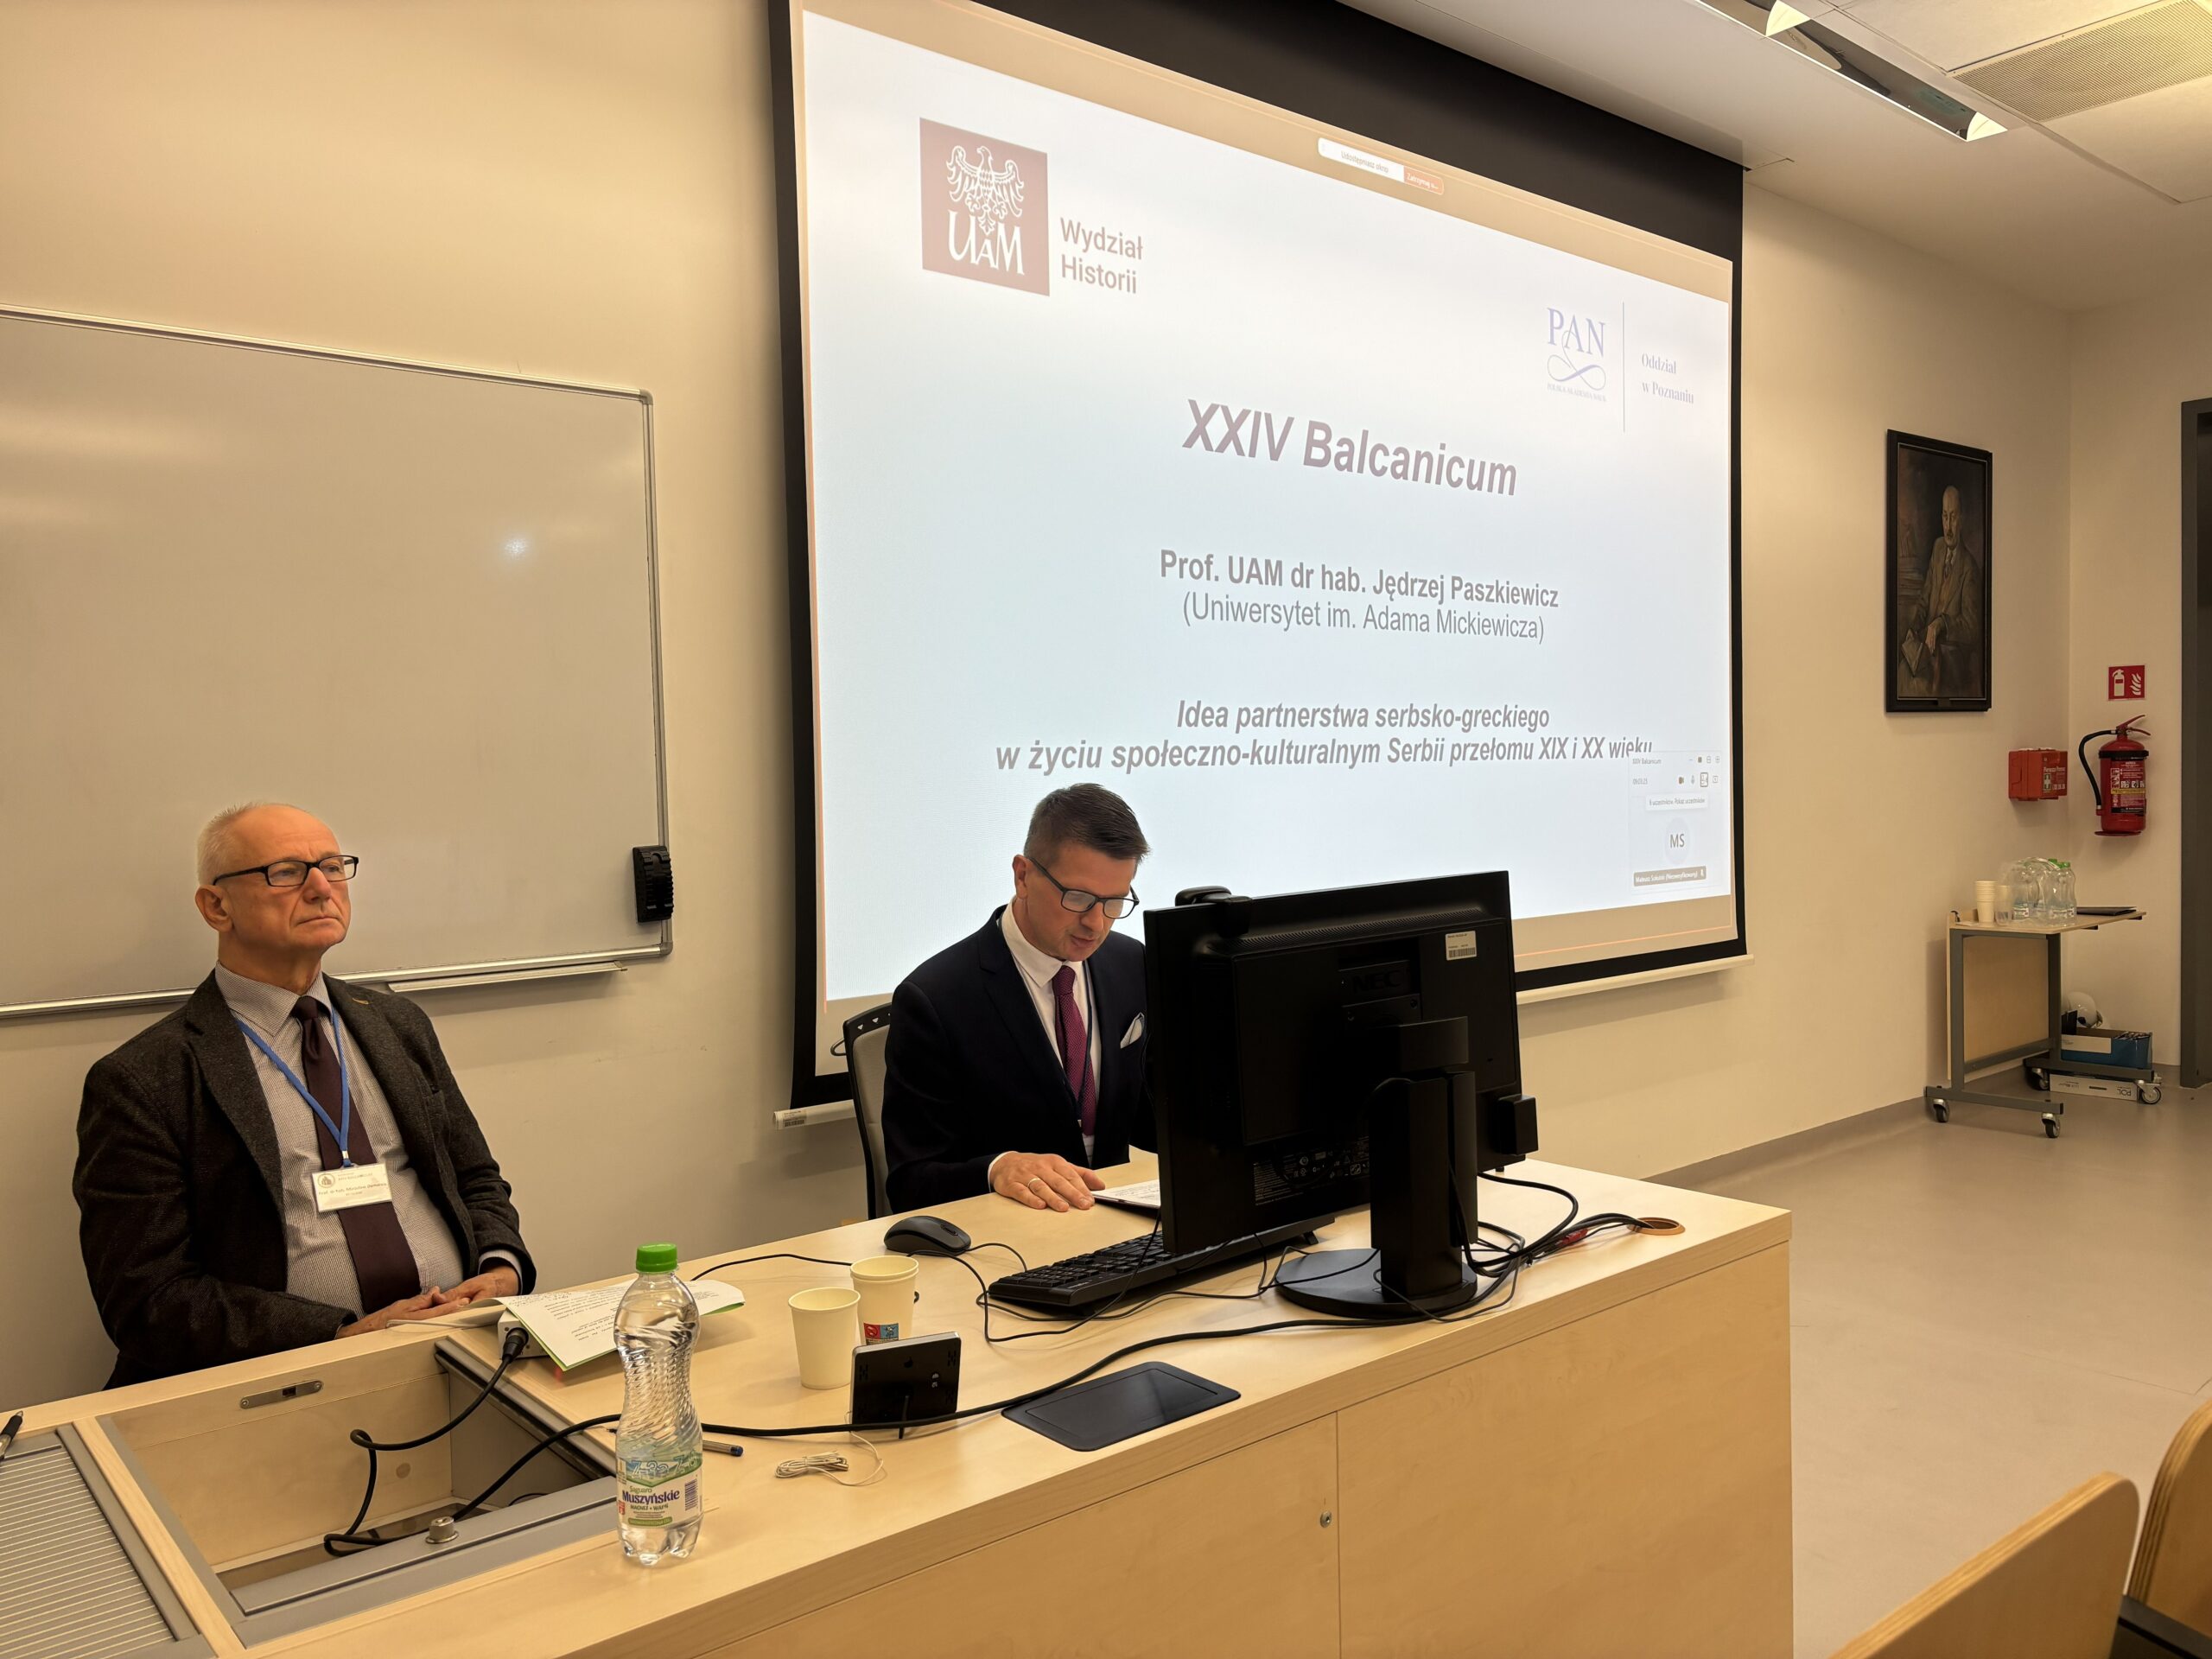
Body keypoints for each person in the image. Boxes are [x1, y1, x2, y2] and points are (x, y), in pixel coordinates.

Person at [73, 804, 534, 1385]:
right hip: (282, 1379)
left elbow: (475, 1178)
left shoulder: (398, 1024)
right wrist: (337, 1334)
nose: (321, 889)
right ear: (216, 907)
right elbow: (147, 1298)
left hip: (457, 1344)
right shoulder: (145, 1078)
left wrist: (501, 1267)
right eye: (286, 872)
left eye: (333, 867)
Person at [882, 785, 1154, 1212]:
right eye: (1078, 898)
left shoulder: (1130, 962)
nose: (1096, 924)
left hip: (1112, 1226)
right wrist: (997, 1168)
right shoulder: (936, 999)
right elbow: (910, 1183)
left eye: (1115, 901)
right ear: (1023, 876)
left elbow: (1152, 1118)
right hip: (1006, 1235)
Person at [1899, 483, 1982, 699]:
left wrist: (1942, 623)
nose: (1949, 527)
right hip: (1928, 654)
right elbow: (1925, 598)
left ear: (1962, 519)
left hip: (1950, 660)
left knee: (1917, 687)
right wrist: (1914, 627)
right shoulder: (1937, 549)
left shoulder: (1970, 568)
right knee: (1902, 675)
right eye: (1945, 517)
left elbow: (1972, 627)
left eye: (1953, 517)